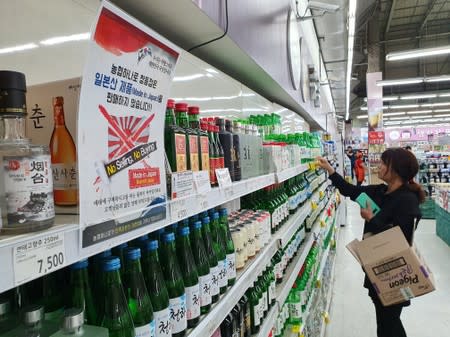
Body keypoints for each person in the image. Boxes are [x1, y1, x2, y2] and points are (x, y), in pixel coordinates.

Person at [316, 148, 425, 337]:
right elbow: (352, 190)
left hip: (394, 272)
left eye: (384, 163)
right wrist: (330, 171)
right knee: (385, 321)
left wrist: (371, 219)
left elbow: (401, 239)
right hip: (378, 266)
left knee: (389, 322)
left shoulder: (407, 200)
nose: (378, 166)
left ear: (395, 169)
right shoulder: (380, 191)